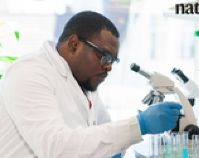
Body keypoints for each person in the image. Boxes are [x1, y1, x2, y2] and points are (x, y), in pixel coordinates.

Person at [0, 11, 182, 158]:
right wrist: (139, 125)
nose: (109, 66)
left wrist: (119, 148)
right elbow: (57, 149)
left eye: (113, 61)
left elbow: (104, 135)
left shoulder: (84, 82)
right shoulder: (30, 73)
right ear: (74, 44)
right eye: (105, 56)